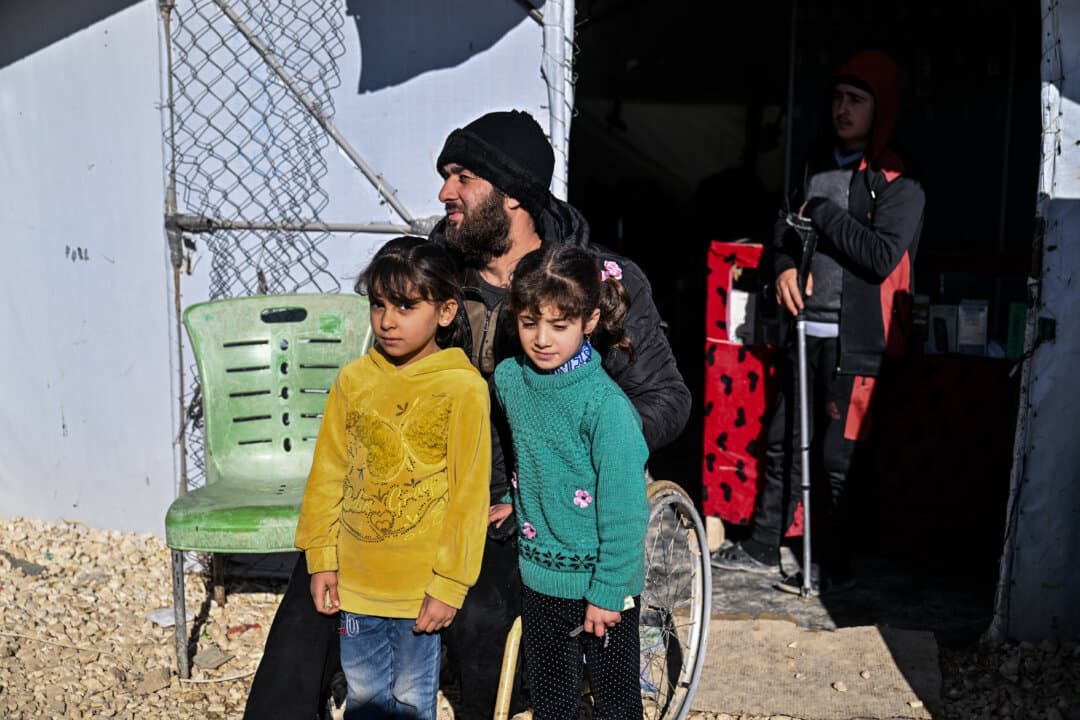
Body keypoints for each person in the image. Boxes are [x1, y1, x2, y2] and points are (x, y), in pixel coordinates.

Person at [243, 110, 690, 720]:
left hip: (546, 500)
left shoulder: (595, 279)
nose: (443, 192)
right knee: (329, 565)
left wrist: (570, 451)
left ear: (512, 195)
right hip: (429, 482)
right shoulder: (433, 273)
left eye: (461, 176)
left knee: (481, 609)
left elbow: (668, 398)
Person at [710, 50, 924, 596]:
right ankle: (762, 546)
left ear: (882, 108)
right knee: (782, 440)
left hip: (857, 342)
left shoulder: (901, 183)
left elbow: (879, 256)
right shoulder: (813, 166)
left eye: (856, 100)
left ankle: (834, 565)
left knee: (836, 459)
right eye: (837, 99)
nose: (842, 109)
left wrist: (823, 213)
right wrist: (782, 267)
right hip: (802, 331)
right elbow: (782, 229)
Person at [293, 236, 491, 719]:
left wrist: (449, 584)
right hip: (357, 586)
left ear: (446, 312)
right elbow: (328, 474)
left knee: (410, 700)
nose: (387, 320)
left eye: (405, 305)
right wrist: (321, 558)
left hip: (418, 592)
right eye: (378, 304)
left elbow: (469, 496)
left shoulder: (461, 388)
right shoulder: (354, 381)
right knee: (362, 695)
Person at [492, 245, 649, 719]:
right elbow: (534, 455)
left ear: (590, 320)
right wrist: (512, 500)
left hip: (602, 583)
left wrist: (607, 592)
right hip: (539, 574)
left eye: (559, 326)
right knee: (551, 700)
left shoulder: (606, 408)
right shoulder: (509, 379)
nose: (542, 339)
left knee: (615, 705)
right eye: (528, 322)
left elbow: (625, 512)